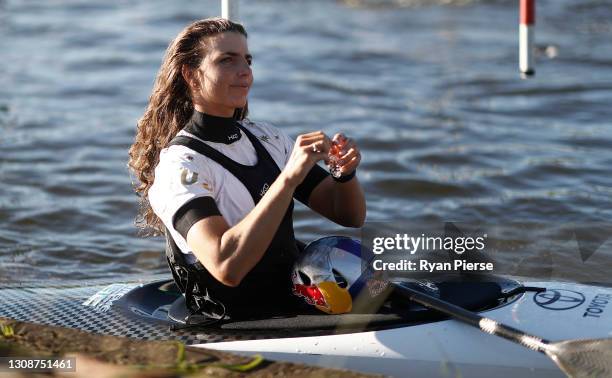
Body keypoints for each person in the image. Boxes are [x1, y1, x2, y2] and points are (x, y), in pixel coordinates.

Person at [128, 17, 366, 321]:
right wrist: (288, 179)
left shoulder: (267, 137)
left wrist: (344, 175)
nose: (245, 72)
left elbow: (348, 215)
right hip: (231, 318)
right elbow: (226, 265)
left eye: (247, 60)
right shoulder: (180, 166)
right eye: (227, 60)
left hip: (288, 302)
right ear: (191, 75)